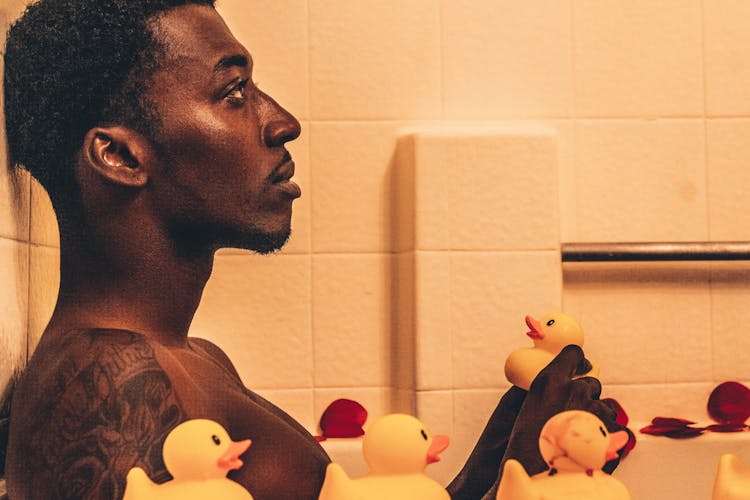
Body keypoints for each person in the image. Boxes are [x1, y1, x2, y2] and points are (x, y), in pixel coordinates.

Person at [2, 1, 627, 498]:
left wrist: (508, 452)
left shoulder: (191, 360)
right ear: (120, 155)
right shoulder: (109, 385)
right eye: (234, 93)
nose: (281, 121)